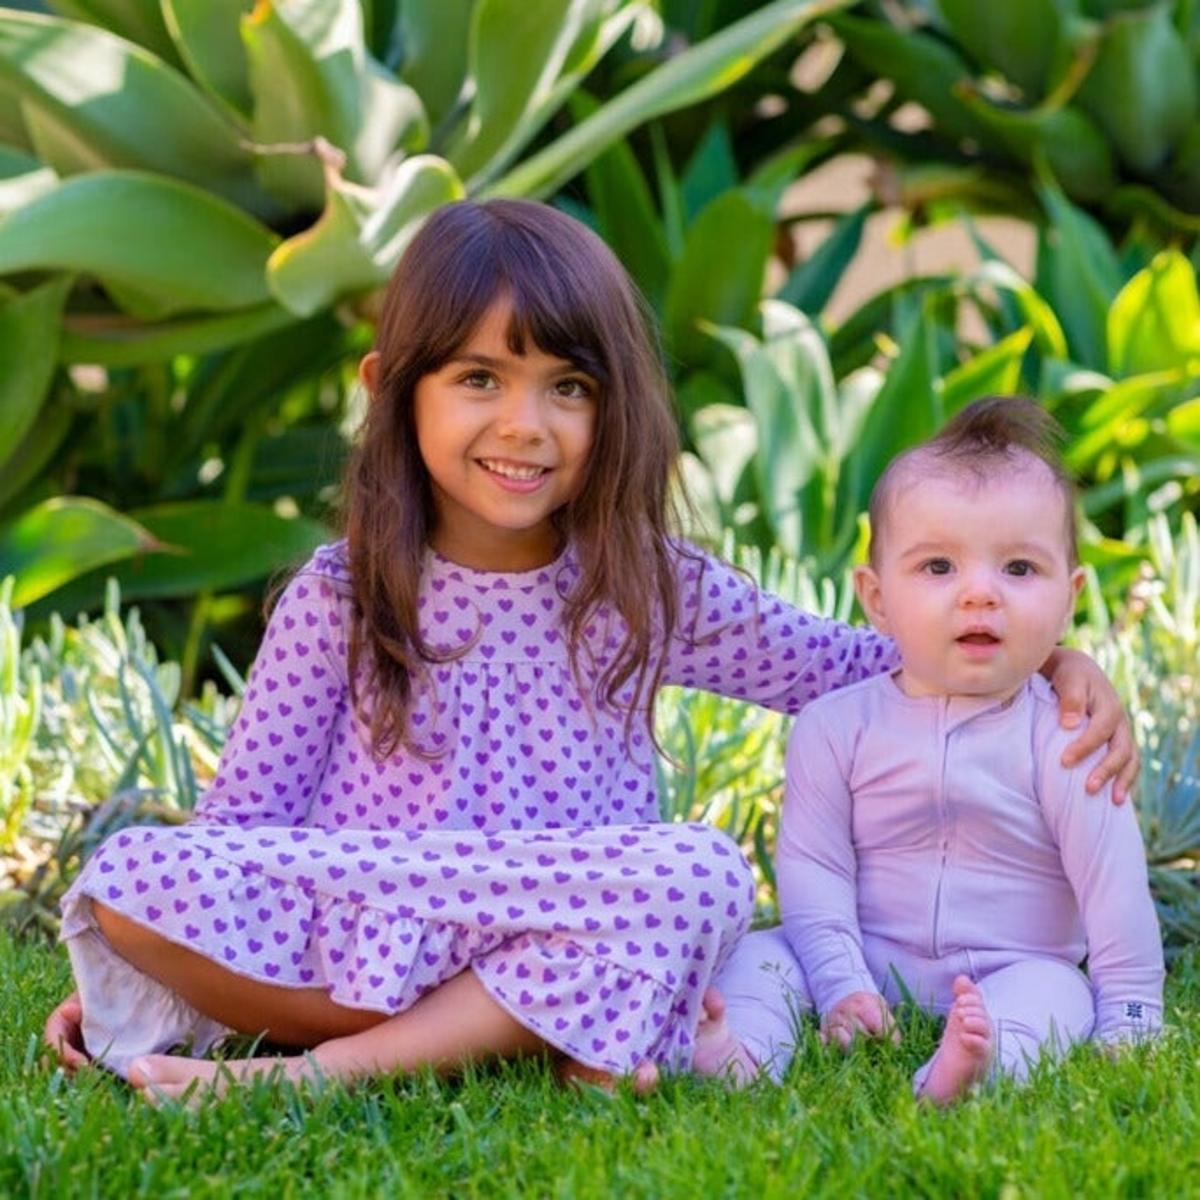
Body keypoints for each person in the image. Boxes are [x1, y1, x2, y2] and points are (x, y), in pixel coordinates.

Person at [43, 203, 1135, 1102]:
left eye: (568, 387)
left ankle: (317, 1077)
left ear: (613, 410)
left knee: (699, 872)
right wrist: (150, 957)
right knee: (133, 872)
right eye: (480, 379)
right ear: (393, 389)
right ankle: (526, 1040)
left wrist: (1050, 666)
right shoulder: (342, 593)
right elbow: (246, 832)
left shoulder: (643, 585)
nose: (526, 424)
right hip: (367, 937)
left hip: (564, 939)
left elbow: (853, 662)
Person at [704, 397, 1163, 1104]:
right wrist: (840, 980)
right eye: (939, 567)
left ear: (1070, 598)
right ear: (877, 597)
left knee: (1057, 994)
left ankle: (970, 1067)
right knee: (764, 956)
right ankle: (741, 1052)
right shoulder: (835, 727)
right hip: (866, 951)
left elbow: (1114, 887)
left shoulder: (1067, 733)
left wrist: (1131, 1014)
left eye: (1018, 569)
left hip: (1012, 964)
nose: (980, 594)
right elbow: (814, 865)